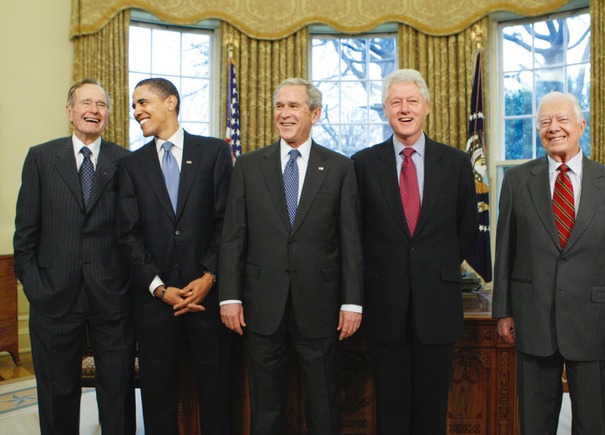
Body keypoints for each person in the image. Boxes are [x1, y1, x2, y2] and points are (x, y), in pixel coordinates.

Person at [219, 77, 364, 435]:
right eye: (279, 106)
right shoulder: (249, 167)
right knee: (266, 409)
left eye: (293, 106)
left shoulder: (340, 168)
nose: (284, 114)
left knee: (323, 406)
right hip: (261, 307)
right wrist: (230, 297)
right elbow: (234, 237)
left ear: (315, 113)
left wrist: (352, 303)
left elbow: (350, 241)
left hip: (321, 307)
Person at [492, 91, 605, 434]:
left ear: (581, 125)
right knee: (534, 425)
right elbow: (506, 250)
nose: (553, 128)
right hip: (533, 323)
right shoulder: (517, 181)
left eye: (562, 120)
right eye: (545, 122)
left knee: (593, 425)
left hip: (596, 327)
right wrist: (503, 310)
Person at [351, 69, 478, 435]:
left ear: (426, 107)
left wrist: (430, 268)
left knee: (432, 411)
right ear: (385, 110)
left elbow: (467, 229)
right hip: (384, 306)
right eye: (396, 102)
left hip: (437, 305)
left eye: (411, 102)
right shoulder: (362, 165)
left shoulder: (454, 163)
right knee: (389, 411)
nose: (404, 109)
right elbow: (355, 232)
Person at [13, 78, 136, 434]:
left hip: (112, 300)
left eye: (101, 105)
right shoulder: (40, 158)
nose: (93, 111)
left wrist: (126, 287)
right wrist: (37, 288)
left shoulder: (125, 161)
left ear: (108, 115)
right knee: (56, 393)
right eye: (86, 103)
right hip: (53, 298)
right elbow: (25, 235)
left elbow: (132, 233)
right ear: (70, 112)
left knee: (117, 395)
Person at [117, 77, 232, 435]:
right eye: (134, 105)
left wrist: (208, 277)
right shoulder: (131, 166)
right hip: (155, 307)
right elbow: (128, 235)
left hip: (207, 301)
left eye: (143, 102)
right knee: (158, 401)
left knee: (217, 398)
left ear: (171, 102)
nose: (136, 112)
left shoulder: (214, 152)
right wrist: (159, 288)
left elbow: (226, 222)